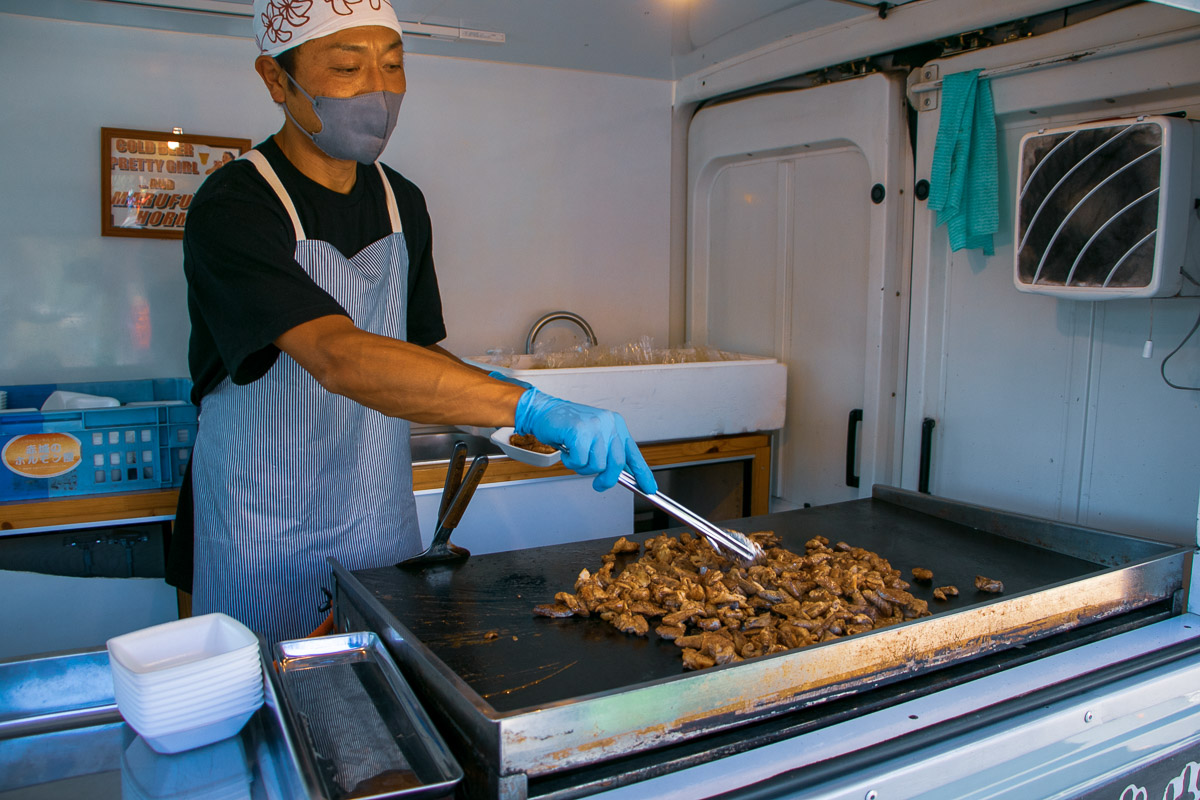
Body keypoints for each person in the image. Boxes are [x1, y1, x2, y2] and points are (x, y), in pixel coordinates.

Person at [166, 0, 657, 644]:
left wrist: (501, 405)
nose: (378, 92)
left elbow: (417, 350)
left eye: (393, 66)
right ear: (275, 80)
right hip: (262, 516)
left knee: (380, 702)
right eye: (346, 67)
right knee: (272, 702)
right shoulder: (235, 205)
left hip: (374, 510)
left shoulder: (403, 201)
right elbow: (336, 354)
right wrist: (527, 404)